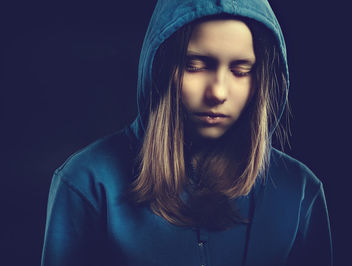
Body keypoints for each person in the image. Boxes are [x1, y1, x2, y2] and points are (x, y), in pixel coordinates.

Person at [41, 0, 333, 265]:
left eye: (241, 70)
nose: (218, 92)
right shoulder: (87, 182)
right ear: (163, 67)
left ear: (261, 79)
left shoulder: (300, 192)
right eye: (195, 66)